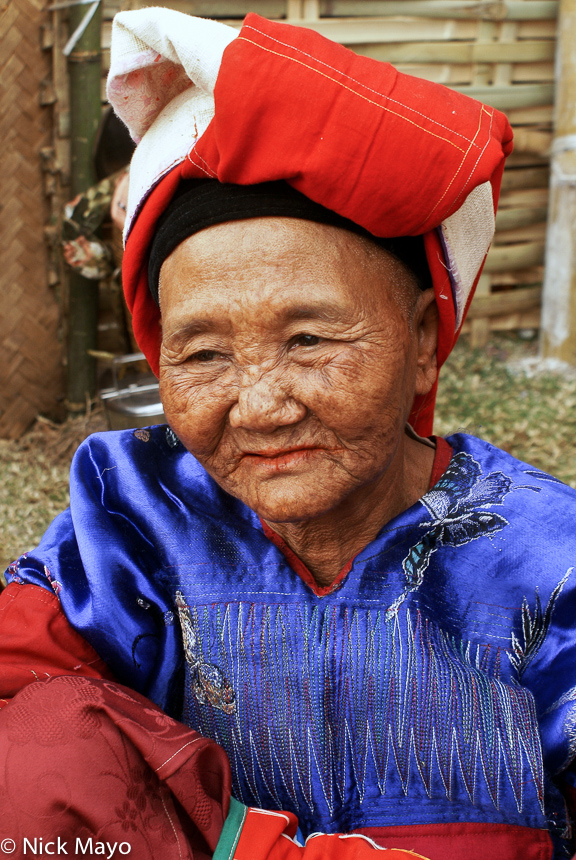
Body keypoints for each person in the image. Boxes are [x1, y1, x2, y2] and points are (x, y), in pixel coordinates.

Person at [1, 9, 575, 860]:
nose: (261, 406)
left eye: (309, 340)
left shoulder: (548, 561)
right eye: (202, 352)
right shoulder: (131, 523)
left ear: (421, 341)